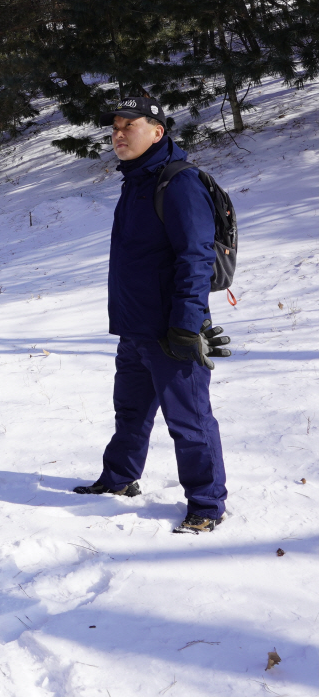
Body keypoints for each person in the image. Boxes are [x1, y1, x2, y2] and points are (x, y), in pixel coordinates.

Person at [73, 93, 231, 534]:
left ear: (157, 131)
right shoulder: (138, 180)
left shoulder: (178, 183)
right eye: (114, 127)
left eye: (129, 126)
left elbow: (196, 257)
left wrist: (185, 324)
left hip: (170, 331)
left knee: (189, 420)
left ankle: (206, 503)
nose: (118, 134)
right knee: (130, 410)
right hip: (135, 326)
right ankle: (120, 478)